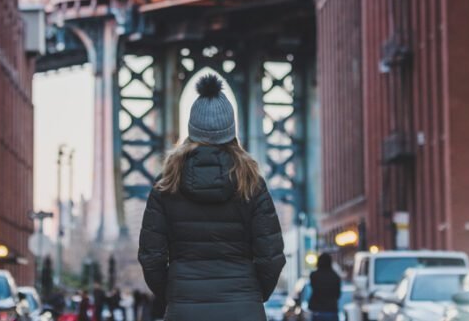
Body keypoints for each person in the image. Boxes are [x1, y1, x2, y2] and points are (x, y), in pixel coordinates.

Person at [138, 72, 286, 320]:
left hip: (185, 308)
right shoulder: (252, 183)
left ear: (192, 130)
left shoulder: (166, 184)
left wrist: (174, 294)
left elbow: (151, 257)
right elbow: (271, 256)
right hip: (244, 309)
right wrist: (253, 294)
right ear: (231, 132)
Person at [307, 252, 342, 321]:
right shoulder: (335, 276)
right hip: (331, 310)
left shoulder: (314, 275)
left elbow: (314, 289)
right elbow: (338, 295)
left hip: (317, 311)